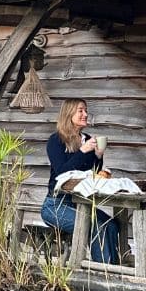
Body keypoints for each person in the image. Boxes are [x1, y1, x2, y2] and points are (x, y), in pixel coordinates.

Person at [41, 98, 119, 263]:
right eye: (80, 111)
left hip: (81, 204)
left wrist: (98, 155)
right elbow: (61, 172)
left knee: (111, 224)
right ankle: (101, 274)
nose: (85, 114)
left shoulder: (87, 138)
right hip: (56, 205)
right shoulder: (56, 141)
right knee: (96, 226)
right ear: (69, 114)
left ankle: (114, 271)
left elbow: (93, 174)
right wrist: (83, 151)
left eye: (85, 110)